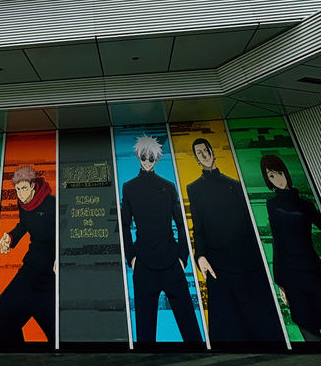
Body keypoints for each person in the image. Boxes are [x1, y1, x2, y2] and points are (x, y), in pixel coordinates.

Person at [186, 138, 284, 343]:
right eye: (199, 153)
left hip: (247, 260)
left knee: (260, 321)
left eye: (206, 150)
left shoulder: (235, 185)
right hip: (217, 263)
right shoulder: (193, 188)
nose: (204, 155)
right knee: (228, 325)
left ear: (212, 151)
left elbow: (248, 225)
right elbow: (198, 226)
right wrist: (200, 255)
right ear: (196, 159)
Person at [261, 154, 321, 342]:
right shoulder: (271, 204)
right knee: (312, 341)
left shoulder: (305, 205)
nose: (277, 179)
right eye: (271, 176)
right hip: (292, 279)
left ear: (285, 172)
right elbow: (278, 243)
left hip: (314, 273)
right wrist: (280, 281)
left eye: (279, 173)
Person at [121, 135, 201, 343]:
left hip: (171, 262)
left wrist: (182, 257)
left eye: (151, 157)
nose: (147, 161)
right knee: (145, 335)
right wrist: (132, 258)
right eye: (144, 156)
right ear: (139, 156)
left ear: (156, 158)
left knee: (191, 331)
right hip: (144, 264)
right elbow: (123, 225)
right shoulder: (129, 187)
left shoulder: (169, 186)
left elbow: (182, 223)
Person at [0, 165, 55, 345]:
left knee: (58, 335)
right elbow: (24, 225)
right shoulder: (24, 205)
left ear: (33, 186)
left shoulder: (52, 204)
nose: (20, 193)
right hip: (30, 274)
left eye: (24, 188)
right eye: (18, 189)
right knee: (0, 315)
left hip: (51, 281)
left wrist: (61, 258)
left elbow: (66, 231)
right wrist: (9, 238)